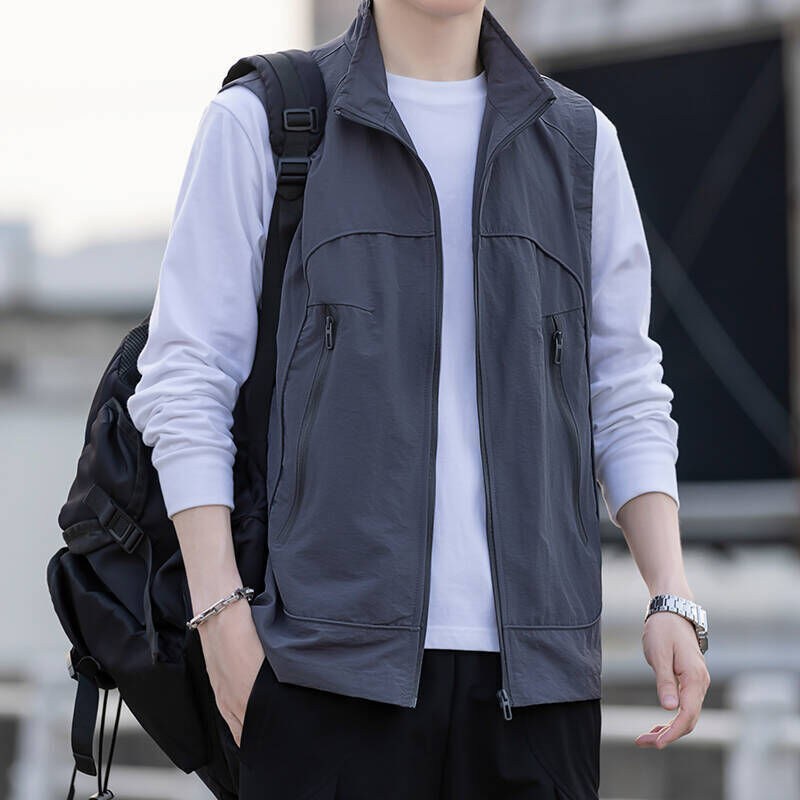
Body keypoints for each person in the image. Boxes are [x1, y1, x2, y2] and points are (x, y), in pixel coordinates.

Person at [127, 0, 711, 797]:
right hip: (323, 678)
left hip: (540, 689)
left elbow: (625, 389)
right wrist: (221, 623)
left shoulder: (580, 144)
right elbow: (186, 377)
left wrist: (670, 593)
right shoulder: (264, 122)